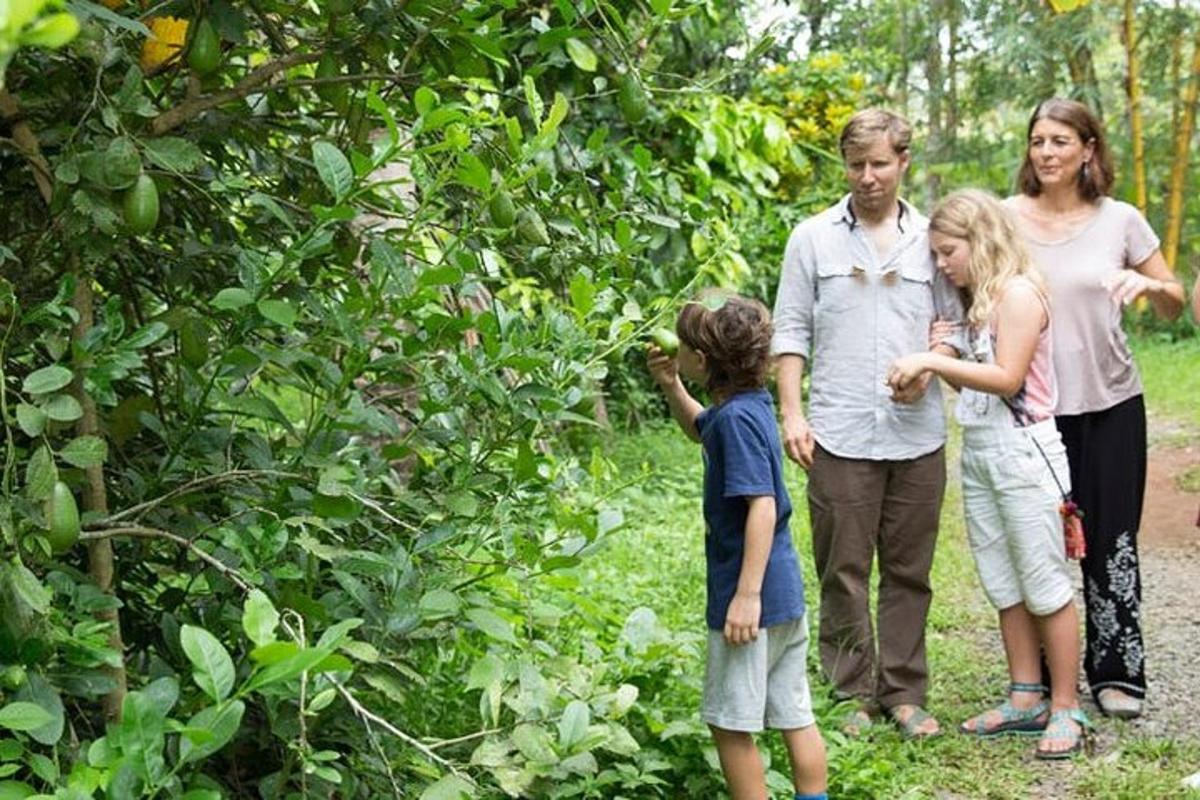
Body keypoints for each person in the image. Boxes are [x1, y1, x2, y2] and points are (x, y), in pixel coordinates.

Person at [771, 108, 965, 737]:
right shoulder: (813, 238)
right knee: (843, 569)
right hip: (839, 431)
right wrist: (793, 413)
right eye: (857, 165)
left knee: (909, 571)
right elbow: (790, 330)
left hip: (918, 436)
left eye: (880, 163)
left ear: (904, 161)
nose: (868, 176)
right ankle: (852, 693)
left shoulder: (933, 239)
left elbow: (955, 328)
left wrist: (933, 367)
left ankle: (905, 693)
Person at [887, 189, 1089, 759]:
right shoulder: (973, 303)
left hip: (1026, 453)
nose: (942, 264)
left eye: (949, 251)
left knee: (1044, 583)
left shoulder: (1019, 294)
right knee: (1002, 578)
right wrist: (945, 355)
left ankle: (1067, 706)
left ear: (982, 240)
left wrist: (932, 359)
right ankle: (1025, 695)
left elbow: (1007, 380)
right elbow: (975, 389)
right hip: (980, 450)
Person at [1005, 99, 1185, 719]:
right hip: (1032, 410)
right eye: (1037, 141)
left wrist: (1153, 286)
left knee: (1111, 540)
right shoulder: (1005, 221)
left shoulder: (1121, 221)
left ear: (1089, 149)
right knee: (1040, 538)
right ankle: (1046, 674)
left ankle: (1117, 673)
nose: (1047, 152)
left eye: (1060, 141)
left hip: (1110, 403)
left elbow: (1175, 301)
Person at [647, 295, 827, 800]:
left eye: (683, 350)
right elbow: (700, 429)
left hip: (752, 596)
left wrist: (745, 596)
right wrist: (670, 384)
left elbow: (762, 507)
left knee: (729, 725)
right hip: (784, 591)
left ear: (702, 361)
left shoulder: (735, 421)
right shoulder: (748, 407)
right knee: (794, 712)